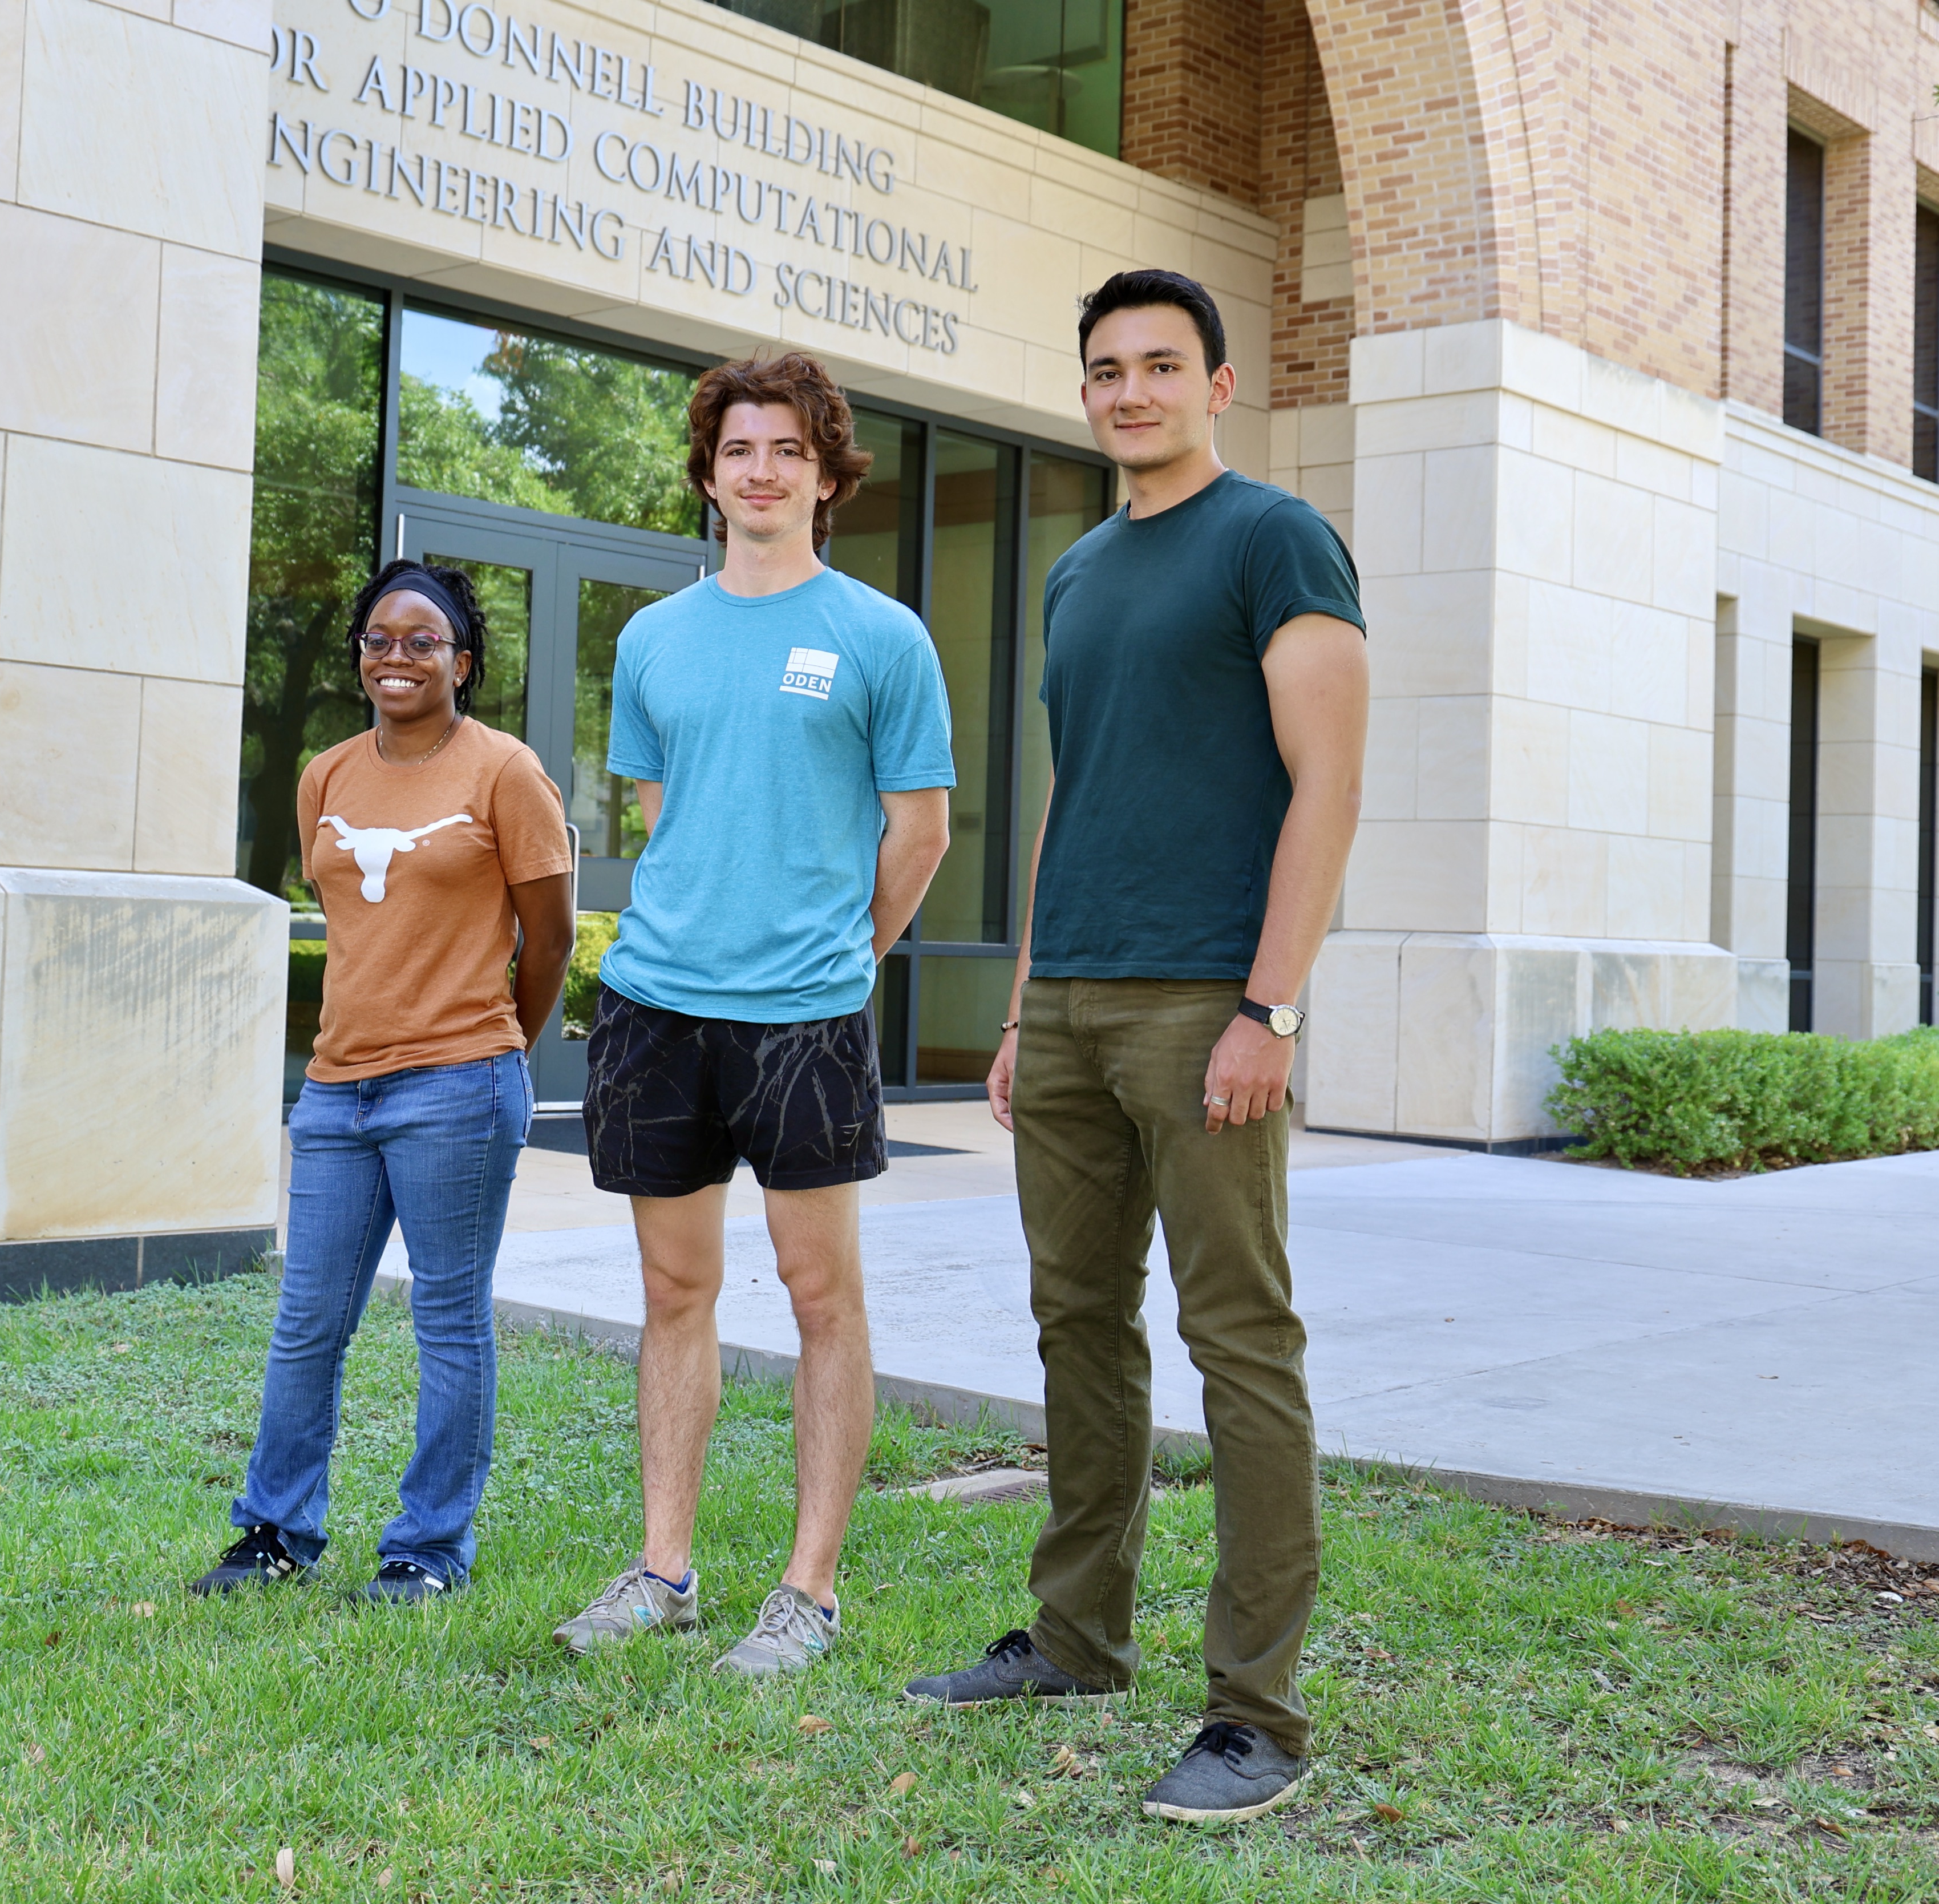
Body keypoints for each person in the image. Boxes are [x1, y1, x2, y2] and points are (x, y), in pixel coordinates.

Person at [901, 270, 1369, 1825]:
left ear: (1215, 386)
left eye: (1158, 366)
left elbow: (1326, 784)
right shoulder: (1078, 571)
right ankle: (1076, 1640)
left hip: (1199, 1003)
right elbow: (1069, 795)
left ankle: (1256, 1717)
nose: (1126, 392)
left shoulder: (1272, 540)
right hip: (1078, 1006)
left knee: (1240, 1342)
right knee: (1075, 1326)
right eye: (1102, 369)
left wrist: (1267, 1006)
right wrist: (1026, 1003)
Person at [552, 354, 954, 1676]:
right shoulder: (653, 637)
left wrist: (851, 950)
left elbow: (920, 830)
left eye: (788, 448)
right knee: (675, 1287)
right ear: (710, 472)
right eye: (739, 448)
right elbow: (666, 817)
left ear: (828, 475)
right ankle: (663, 1568)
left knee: (818, 1292)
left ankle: (808, 1592)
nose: (762, 469)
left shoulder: (880, 635)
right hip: (657, 1007)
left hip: (805, 1018)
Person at [192, 559, 574, 1604]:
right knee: (307, 1319)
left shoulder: (505, 772)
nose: (396, 656)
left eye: (421, 640)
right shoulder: (326, 774)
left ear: (463, 659)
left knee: (448, 1320)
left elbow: (550, 938)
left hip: (455, 1083)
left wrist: (498, 1046)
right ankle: (274, 1531)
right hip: (335, 1092)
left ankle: (427, 1547)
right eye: (377, 639)